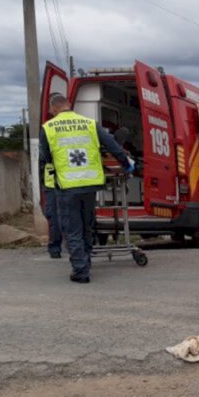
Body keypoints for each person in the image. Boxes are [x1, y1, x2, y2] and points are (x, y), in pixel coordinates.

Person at [39, 93, 134, 283]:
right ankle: (86, 261)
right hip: (90, 185)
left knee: (72, 229)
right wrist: (127, 165)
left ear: (53, 108)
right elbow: (113, 146)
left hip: (67, 186)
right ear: (69, 104)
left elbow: (46, 158)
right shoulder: (90, 124)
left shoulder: (48, 128)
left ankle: (81, 271)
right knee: (86, 226)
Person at [43, 160, 62, 259]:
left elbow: (43, 158)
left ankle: (55, 248)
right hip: (73, 182)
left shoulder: (49, 144)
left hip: (53, 182)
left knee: (54, 217)